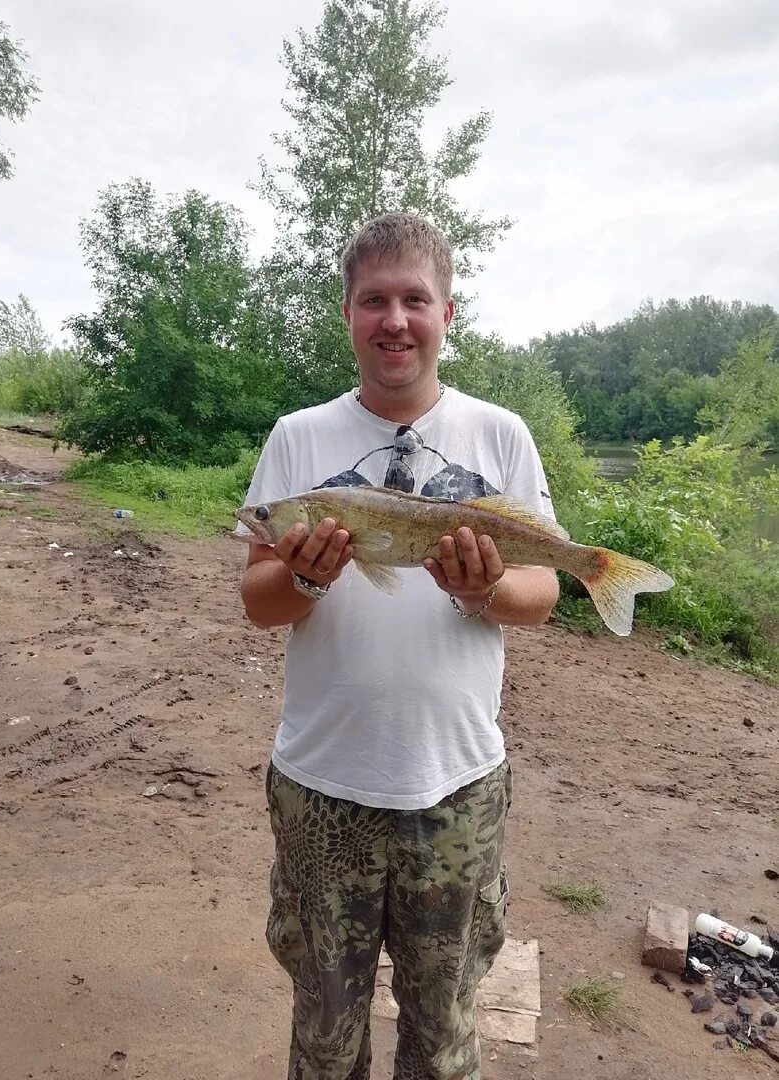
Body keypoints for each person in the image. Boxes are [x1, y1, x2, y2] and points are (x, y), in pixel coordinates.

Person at [239, 213, 559, 1080]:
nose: (395, 320)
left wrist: (485, 587)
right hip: (321, 787)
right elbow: (259, 601)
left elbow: (542, 593)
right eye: (373, 300)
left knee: (445, 1034)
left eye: (414, 299)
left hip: (455, 786)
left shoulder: (501, 436)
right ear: (347, 313)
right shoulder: (298, 441)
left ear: (446, 313)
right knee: (326, 1029)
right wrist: (302, 576)